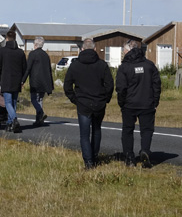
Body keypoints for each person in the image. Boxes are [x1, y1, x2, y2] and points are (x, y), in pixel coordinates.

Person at [64, 38, 114, 170]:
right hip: (99, 103)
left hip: (83, 104)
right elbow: (109, 84)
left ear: (82, 49)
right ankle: (95, 157)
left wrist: (75, 100)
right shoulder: (102, 65)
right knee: (96, 131)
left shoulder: (75, 65)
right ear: (95, 49)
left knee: (84, 135)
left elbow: (67, 86)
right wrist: (106, 99)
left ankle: (88, 162)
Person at [116, 40, 161, 168]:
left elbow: (121, 88)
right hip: (147, 103)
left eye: (124, 50)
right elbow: (156, 85)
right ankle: (145, 151)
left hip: (129, 104)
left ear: (128, 50)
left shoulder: (124, 67)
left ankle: (129, 157)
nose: (123, 53)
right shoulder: (149, 65)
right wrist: (155, 101)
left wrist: (121, 103)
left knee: (127, 131)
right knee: (146, 130)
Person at [0, 31, 26, 132]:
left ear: (7, 38)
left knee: (8, 102)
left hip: (6, 79)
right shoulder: (20, 52)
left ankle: (14, 119)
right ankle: (9, 123)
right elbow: (24, 67)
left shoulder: (3, 51)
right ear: (15, 38)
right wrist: (22, 80)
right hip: (17, 80)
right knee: (13, 102)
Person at [21, 36, 54, 126]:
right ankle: (39, 119)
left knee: (34, 99)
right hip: (45, 81)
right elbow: (49, 70)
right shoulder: (45, 55)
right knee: (40, 99)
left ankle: (40, 112)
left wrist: (22, 80)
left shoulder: (32, 54)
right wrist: (51, 84)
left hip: (35, 81)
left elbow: (28, 68)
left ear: (35, 44)